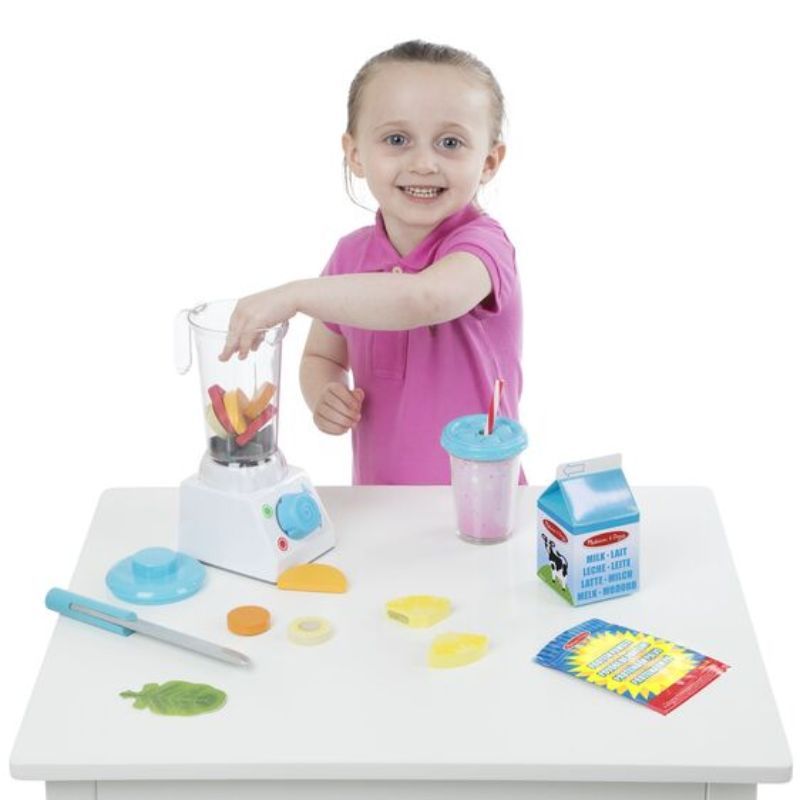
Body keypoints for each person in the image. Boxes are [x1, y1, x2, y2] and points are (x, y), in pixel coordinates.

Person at [220, 40, 523, 485]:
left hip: (481, 503)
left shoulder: (484, 247)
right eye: (396, 140)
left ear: (490, 161)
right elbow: (322, 355)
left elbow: (424, 298)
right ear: (356, 154)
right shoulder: (350, 256)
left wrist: (294, 296)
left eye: (450, 142)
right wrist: (325, 392)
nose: (423, 163)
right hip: (377, 501)